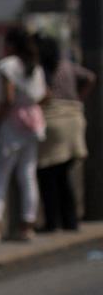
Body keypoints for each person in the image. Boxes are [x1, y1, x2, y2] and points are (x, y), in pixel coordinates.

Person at [0, 27, 46, 244]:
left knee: (1, 176)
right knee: (28, 176)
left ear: (10, 45)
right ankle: (27, 225)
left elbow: (8, 98)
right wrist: (30, 109)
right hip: (33, 124)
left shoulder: (8, 66)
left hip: (11, 126)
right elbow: (44, 95)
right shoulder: (35, 66)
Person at [35, 33, 95, 232]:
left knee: (46, 175)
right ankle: (70, 221)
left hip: (52, 122)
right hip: (73, 120)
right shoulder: (66, 65)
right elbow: (90, 77)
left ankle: (52, 222)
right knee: (63, 175)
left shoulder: (39, 69)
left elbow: (44, 95)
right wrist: (78, 98)